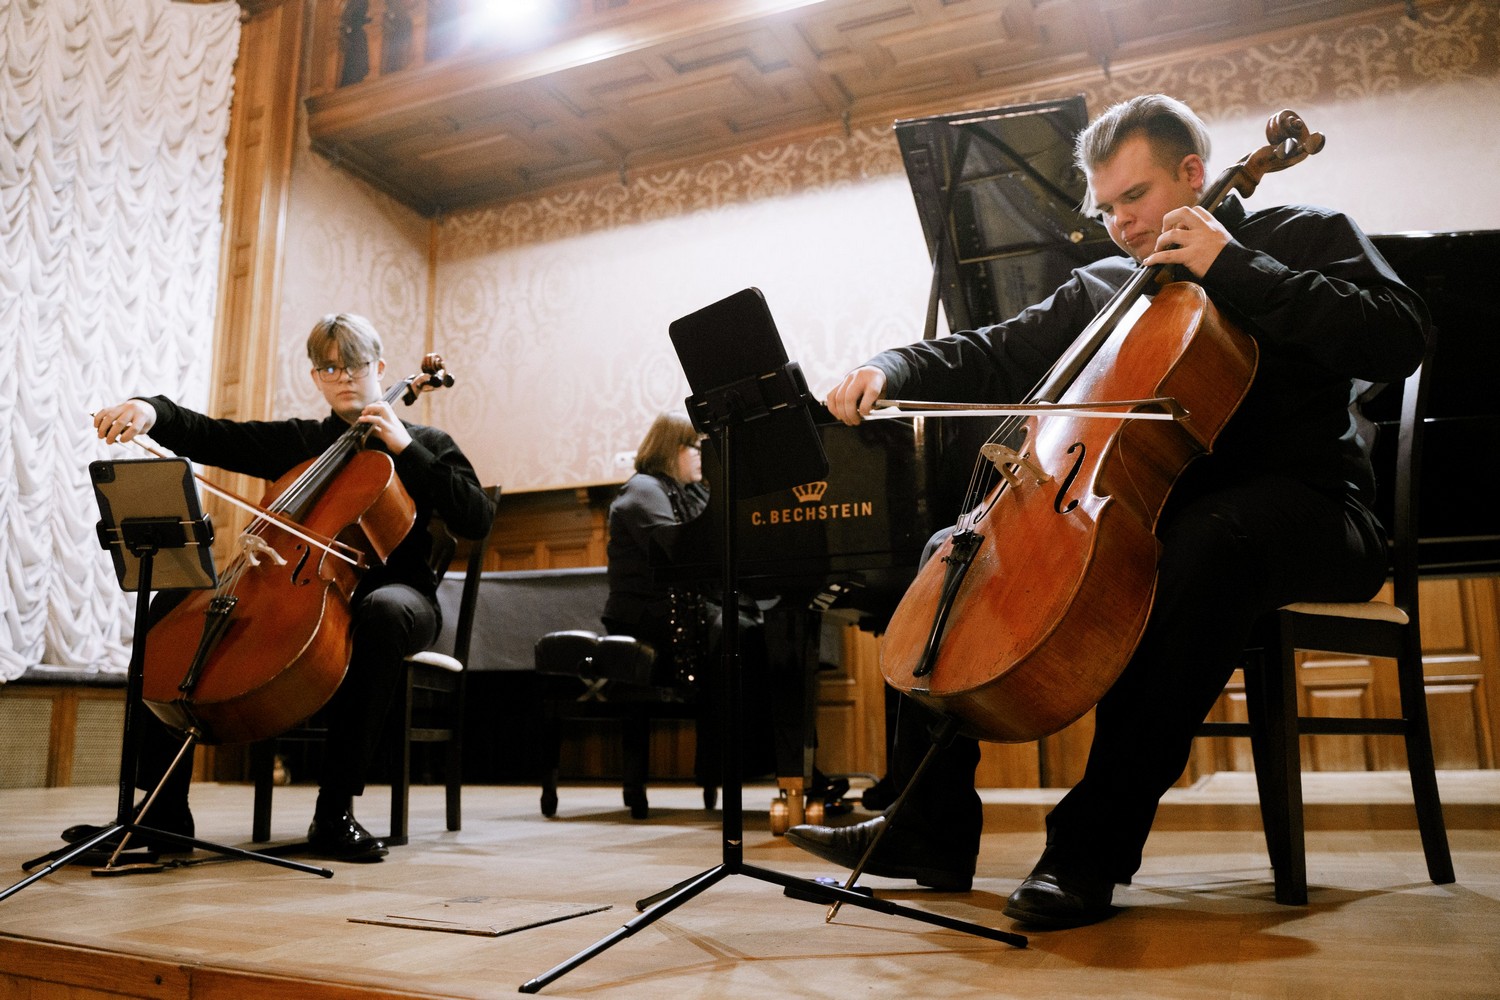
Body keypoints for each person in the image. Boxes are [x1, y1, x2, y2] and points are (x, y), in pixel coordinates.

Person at [784, 94, 1428, 927]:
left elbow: (1400, 335)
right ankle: (924, 826)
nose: (1121, 223)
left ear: (1192, 174)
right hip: (1159, 520)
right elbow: (991, 351)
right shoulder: (1106, 288)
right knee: (957, 546)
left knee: (1207, 544)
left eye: (1135, 196)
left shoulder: (1298, 235)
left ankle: (1089, 849)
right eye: (1107, 208)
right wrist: (891, 366)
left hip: (1313, 512)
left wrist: (1232, 266)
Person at [71, 312, 495, 862]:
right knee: (172, 601)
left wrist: (405, 448)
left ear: (380, 367)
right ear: (316, 377)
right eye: (330, 368)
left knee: (383, 611)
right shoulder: (301, 442)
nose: (345, 376)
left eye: (356, 365)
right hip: (300, 589)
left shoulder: (427, 443)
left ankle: (334, 812)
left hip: (399, 595)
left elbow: (477, 517)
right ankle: (161, 812)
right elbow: (213, 435)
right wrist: (152, 410)